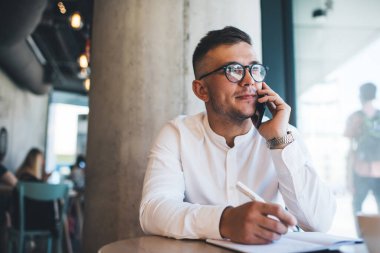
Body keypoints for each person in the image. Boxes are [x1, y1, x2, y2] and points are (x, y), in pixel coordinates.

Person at [139, 26, 336, 244]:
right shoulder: (178, 134)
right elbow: (152, 211)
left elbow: (319, 222)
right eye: (233, 70)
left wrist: (279, 141)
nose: (249, 81)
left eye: (254, 69)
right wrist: (225, 220)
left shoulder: (284, 135)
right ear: (201, 90)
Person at [344, 83, 380, 222]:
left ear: (361, 96)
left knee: (357, 207)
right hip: (370, 169)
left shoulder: (354, 117)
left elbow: (350, 149)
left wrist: (349, 177)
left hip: (360, 170)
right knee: (358, 205)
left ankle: (362, 237)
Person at [12, 148, 60, 236]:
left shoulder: (20, 176)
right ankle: (63, 247)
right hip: (38, 222)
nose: (43, 163)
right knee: (61, 217)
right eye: (41, 160)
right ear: (36, 161)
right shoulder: (33, 181)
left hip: (20, 221)